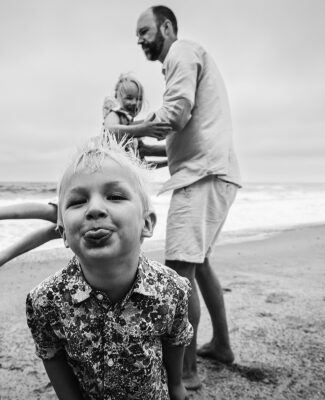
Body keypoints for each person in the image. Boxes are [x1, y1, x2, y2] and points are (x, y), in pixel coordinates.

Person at [0, 74, 170, 295]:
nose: (133, 103)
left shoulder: (131, 129)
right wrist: (143, 130)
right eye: (129, 97)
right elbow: (109, 131)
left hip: (98, 194)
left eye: (138, 99)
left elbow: (144, 158)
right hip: (91, 188)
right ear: (117, 97)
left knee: (54, 229)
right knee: (47, 213)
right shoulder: (116, 116)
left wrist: (173, 157)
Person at [26, 134, 193, 400]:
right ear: (64, 234)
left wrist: (176, 385)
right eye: (77, 201)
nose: (94, 209)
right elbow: (51, 353)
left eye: (114, 196)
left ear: (146, 224)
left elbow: (176, 340)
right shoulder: (45, 301)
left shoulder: (172, 289)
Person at [129, 5, 242, 390]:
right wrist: (144, 151)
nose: (140, 40)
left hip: (202, 178)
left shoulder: (181, 52)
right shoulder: (187, 60)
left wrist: (130, 131)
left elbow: (175, 116)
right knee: (200, 264)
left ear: (166, 26)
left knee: (179, 273)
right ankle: (222, 347)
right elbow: (182, 138)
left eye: (144, 31)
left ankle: (188, 371)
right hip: (212, 172)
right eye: (137, 36)